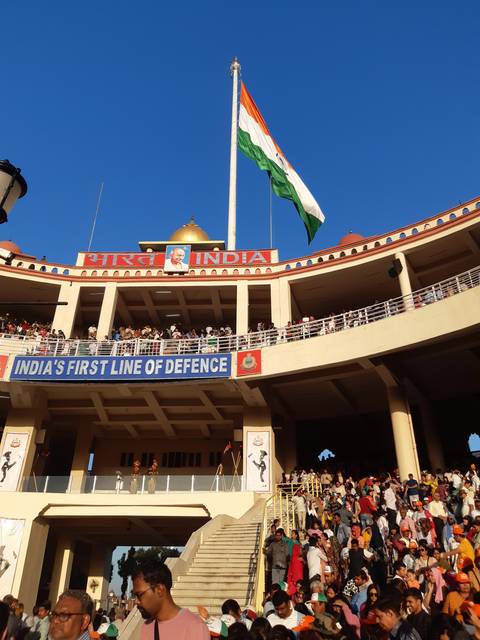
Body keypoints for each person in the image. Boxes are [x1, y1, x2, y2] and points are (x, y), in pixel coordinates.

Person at [131, 557, 209, 639]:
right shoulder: (146, 627)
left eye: (139, 595)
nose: (137, 601)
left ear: (159, 590)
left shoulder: (195, 627)